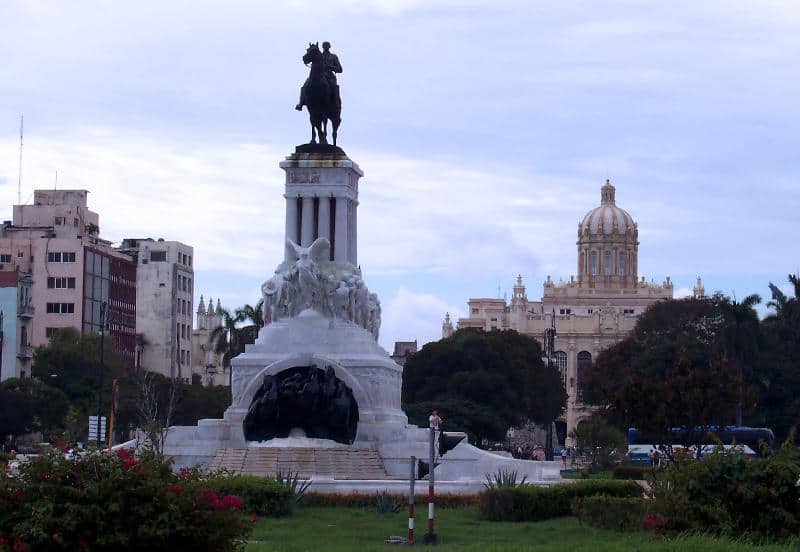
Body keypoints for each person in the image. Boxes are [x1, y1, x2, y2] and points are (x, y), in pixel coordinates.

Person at [296, 41, 343, 111]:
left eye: (327, 46)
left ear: (329, 47)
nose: (326, 47)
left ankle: (336, 103)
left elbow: (340, 69)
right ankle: (301, 103)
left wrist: (330, 67)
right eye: (324, 46)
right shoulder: (318, 55)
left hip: (329, 76)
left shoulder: (333, 56)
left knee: (334, 87)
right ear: (322, 47)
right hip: (318, 74)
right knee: (305, 85)